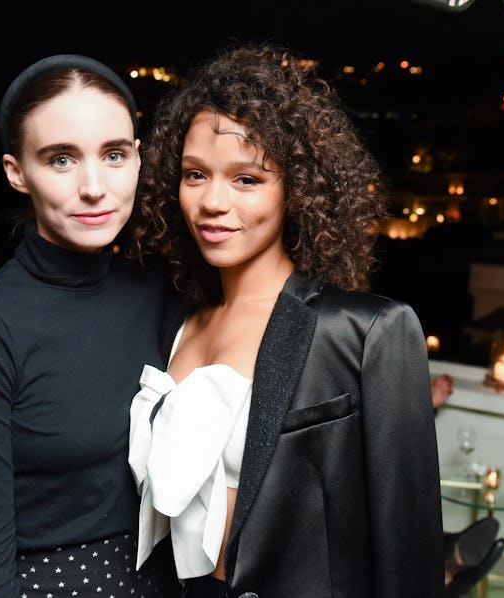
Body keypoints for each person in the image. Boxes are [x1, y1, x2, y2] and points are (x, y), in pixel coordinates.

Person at [126, 43, 444, 597]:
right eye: (195, 175)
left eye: (247, 179)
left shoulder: (365, 332)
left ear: (295, 191)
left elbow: (407, 555)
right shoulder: (175, 325)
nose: (212, 202)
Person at [0, 54, 176, 598]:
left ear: (138, 158)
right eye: (61, 160)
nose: (93, 187)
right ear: (18, 173)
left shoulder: (163, 292)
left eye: (113, 155)